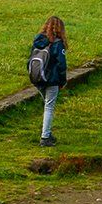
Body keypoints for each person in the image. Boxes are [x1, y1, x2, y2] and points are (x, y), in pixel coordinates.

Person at [30, 16, 69, 146]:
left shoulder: (38, 40)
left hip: (38, 78)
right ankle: (45, 137)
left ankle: (47, 133)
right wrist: (62, 81)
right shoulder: (58, 44)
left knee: (46, 105)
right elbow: (61, 65)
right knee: (49, 107)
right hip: (52, 80)